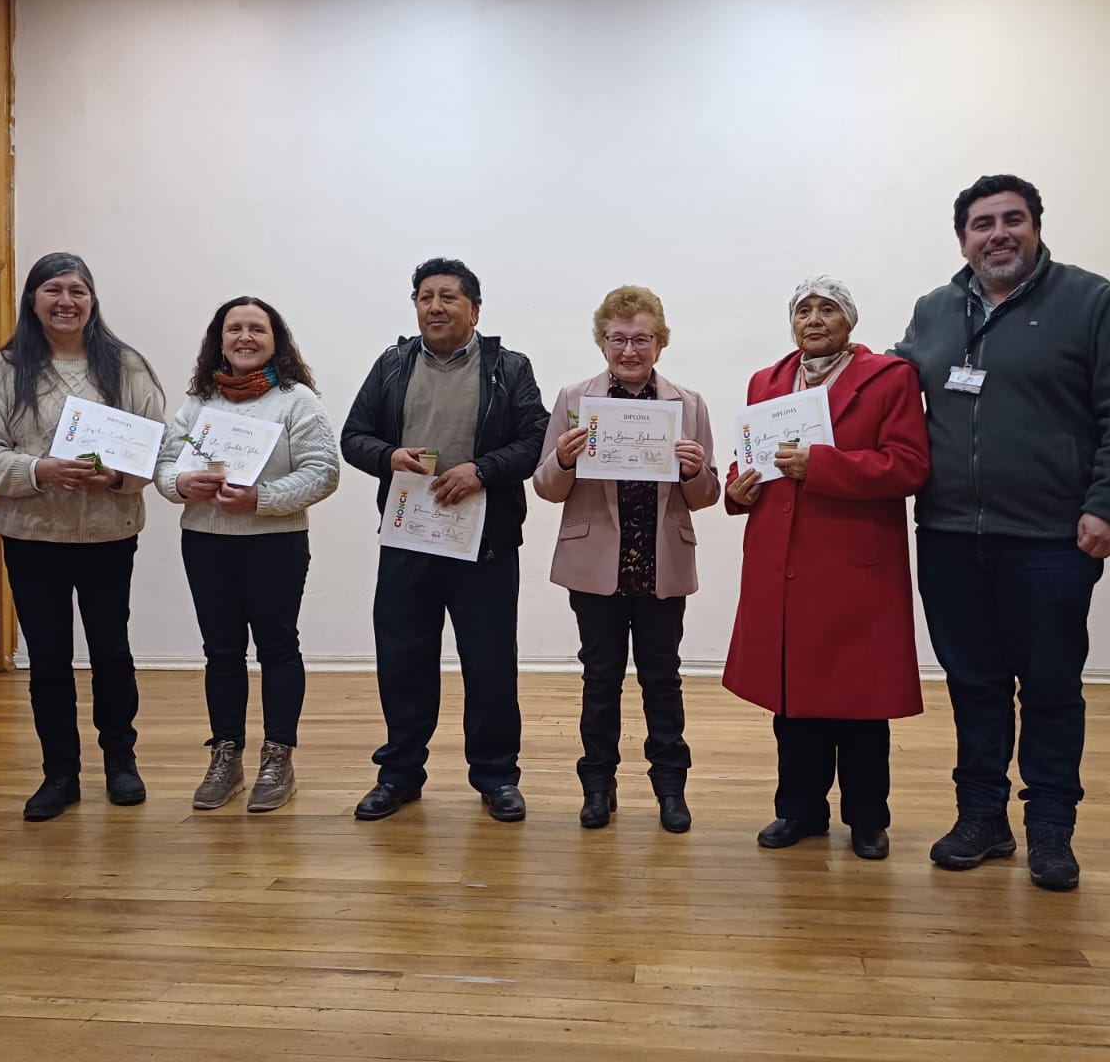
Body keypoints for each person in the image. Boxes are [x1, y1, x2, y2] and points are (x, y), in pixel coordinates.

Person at [894, 174, 1110, 891]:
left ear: (1037, 227)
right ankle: (981, 819)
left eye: (1013, 220)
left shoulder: (1093, 303)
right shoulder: (935, 311)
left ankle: (1050, 829)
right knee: (973, 683)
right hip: (949, 533)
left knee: (1049, 686)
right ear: (963, 240)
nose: (998, 234)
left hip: (1051, 539)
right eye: (982, 224)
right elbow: (880, 387)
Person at [724, 278, 929, 859]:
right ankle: (799, 811)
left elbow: (909, 466)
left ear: (850, 320)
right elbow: (755, 458)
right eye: (803, 309)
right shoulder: (766, 381)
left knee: (860, 703)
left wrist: (824, 466)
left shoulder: (891, 378)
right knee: (791, 701)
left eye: (828, 308)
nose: (814, 319)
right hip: (780, 560)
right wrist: (739, 488)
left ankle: (868, 818)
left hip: (853, 562)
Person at [341, 257, 549, 822]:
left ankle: (497, 776)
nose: (435, 306)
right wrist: (389, 456)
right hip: (409, 539)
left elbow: (536, 439)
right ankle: (400, 774)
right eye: (425, 297)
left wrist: (481, 469)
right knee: (403, 660)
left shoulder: (509, 367)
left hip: (485, 544)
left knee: (489, 664)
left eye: (448, 297)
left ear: (474, 309)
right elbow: (352, 437)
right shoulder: (391, 365)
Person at [0, 252, 165, 821]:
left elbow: (152, 448)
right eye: (52, 290)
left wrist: (119, 475)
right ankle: (60, 774)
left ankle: (121, 764)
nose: (66, 301)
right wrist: (40, 470)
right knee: (48, 658)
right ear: (32, 300)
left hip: (109, 533)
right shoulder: (6, 368)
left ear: (92, 300)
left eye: (77, 290)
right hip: (33, 535)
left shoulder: (125, 364)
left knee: (111, 650)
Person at [533, 286, 719, 832]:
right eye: (617, 339)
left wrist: (692, 470)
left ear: (660, 343)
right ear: (602, 342)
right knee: (600, 679)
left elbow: (706, 496)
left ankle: (670, 790)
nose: (629, 350)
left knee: (663, 680)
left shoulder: (688, 404)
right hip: (596, 565)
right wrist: (564, 461)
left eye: (641, 339)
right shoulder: (574, 398)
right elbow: (546, 487)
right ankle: (597, 787)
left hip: (661, 563)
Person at [154, 296, 341, 813]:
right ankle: (226, 755)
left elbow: (324, 471)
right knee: (221, 651)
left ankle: (278, 756)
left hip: (275, 543)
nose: (244, 337)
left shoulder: (297, 401)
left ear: (275, 340)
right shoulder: (198, 404)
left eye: (256, 329)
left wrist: (262, 499)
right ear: (219, 340)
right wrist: (180, 482)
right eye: (234, 328)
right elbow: (165, 467)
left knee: (278, 648)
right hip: (206, 542)